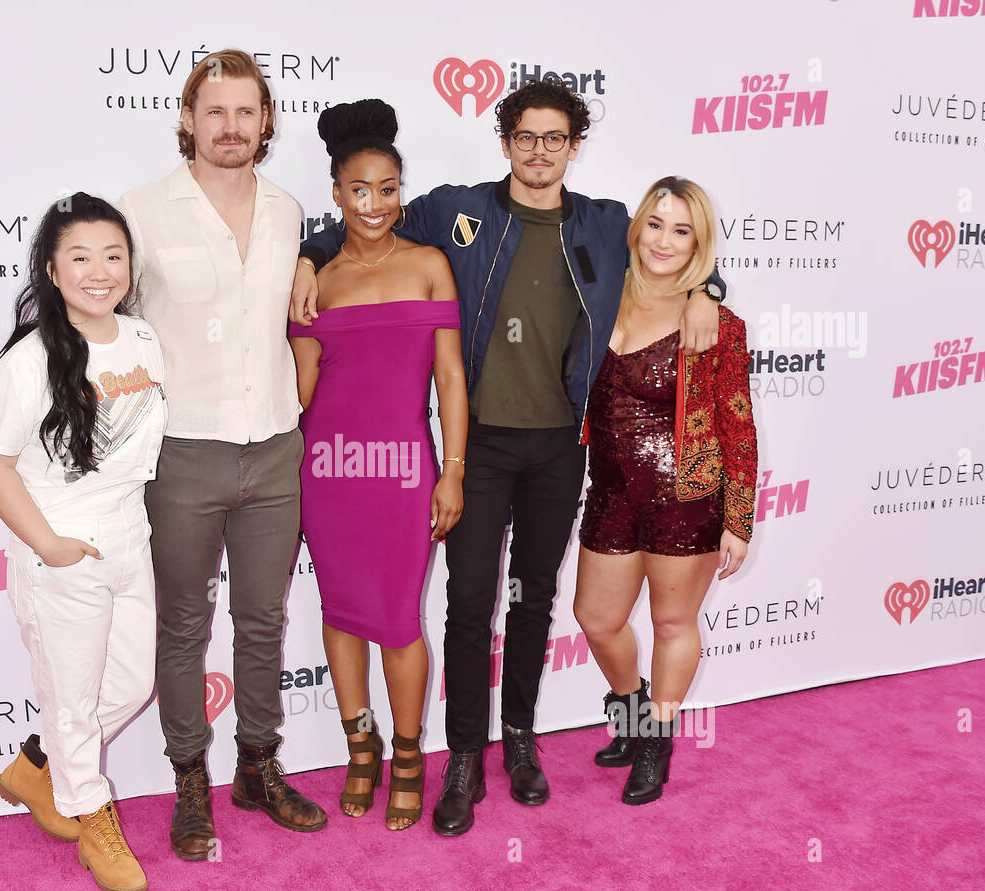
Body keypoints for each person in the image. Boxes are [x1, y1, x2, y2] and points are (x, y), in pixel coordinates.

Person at [292, 80, 727, 836]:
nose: (538, 151)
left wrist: (707, 293)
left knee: (529, 602)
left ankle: (518, 740)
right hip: (479, 445)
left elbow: (673, 260)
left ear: (573, 146)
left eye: (553, 138)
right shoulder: (456, 210)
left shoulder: (603, 224)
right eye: (525, 137)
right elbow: (370, 221)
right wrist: (308, 251)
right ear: (505, 143)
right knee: (467, 606)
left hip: (561, 446)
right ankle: (462, 756)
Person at [0, 51, 327, 861]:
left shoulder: (288, 210)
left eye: (246, 112)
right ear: (188, 120)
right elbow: (90, 309)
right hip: (180, 455)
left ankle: (259, 766)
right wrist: (5, 378)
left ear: (266, 122)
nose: (230, 127)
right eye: (215, 112)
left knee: (265, 618)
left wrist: (313, 256)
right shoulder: (142, 211)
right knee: (181, 626)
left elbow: (322, 258)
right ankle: (190, 782)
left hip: (274, 445)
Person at [0, 192, 166, 891]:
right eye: (79, 257)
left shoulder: (143, 339)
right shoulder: (29, 363)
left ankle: (35, 765)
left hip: (128, 537)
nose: (99, 270)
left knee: (131, 683)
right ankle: (92, 817)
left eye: (112, 255)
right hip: (60, 546)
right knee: (73, 701)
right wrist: (49, 546)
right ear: (51, 272)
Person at [288, 99, 466, 831]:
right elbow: (301, 391)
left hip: (403, 473)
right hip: (327, 473)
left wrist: (451, 470)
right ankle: (359, 748)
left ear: (401, 189)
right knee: (341, 614)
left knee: (396, 619)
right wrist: (290, 318)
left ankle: (408, 754)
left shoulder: (430, 265)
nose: (374, 204)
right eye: (358, 190)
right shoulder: (317, 280)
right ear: (335, 195)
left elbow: (451, 378)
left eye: (388, 188)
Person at [573, 176, 757, 805]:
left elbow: (738, 424)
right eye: (655, 223)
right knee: (596, 619)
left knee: (672, 620)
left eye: (682, 230)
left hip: (688, 497)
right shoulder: (597, 296)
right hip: (611, 491)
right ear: (636, 226)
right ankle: (628, 710)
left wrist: (739, 519)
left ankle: (657, 734)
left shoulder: (715, 324)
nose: (664, 240)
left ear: (699, 242)